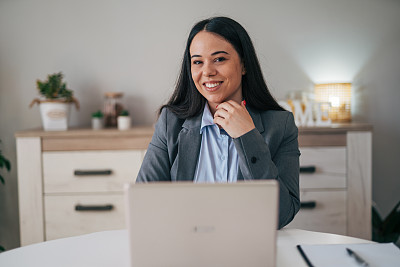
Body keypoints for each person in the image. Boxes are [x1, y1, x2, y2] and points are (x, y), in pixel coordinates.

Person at [136, 16, 300, 228]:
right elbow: (144, 202)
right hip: (185, 248)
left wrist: (248, 136)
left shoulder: (281, 125)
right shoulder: (171, 122)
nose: (207, 72)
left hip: (249, 250)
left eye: (219, 59)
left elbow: (281, 216)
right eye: (197, 62)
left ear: (243, 65)